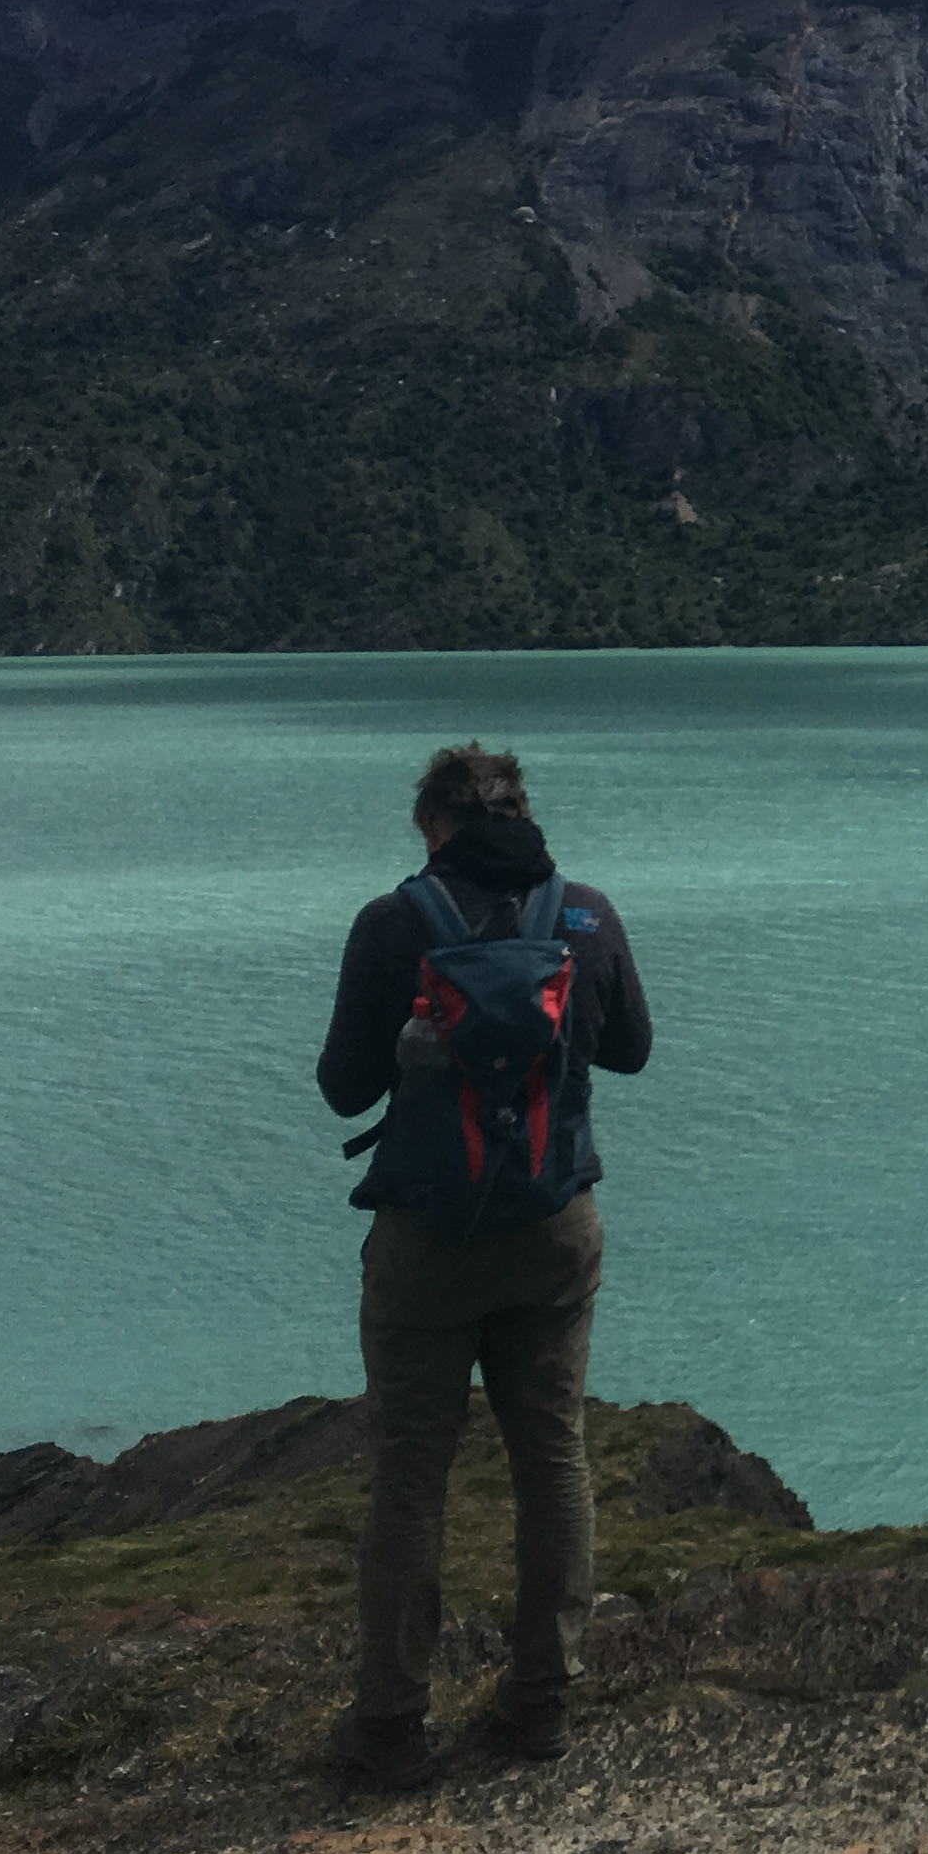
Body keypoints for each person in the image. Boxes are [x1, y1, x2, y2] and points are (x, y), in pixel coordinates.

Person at [317, 742, 653, 1788]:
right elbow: (633, 1050)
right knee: (552, 1460)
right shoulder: (585, 915)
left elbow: (342, 1088)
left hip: (427, 1239)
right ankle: (541, 1702)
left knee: (411, 1477)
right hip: (553, 1228)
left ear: (433, 825)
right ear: (522, 813)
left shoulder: (392, 923)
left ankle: (391, 1723)